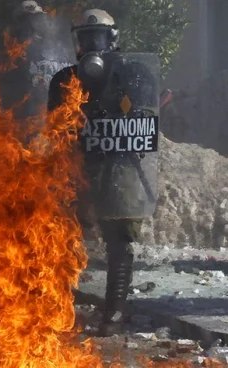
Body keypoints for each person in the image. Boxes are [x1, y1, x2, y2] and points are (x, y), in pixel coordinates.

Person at [47, 9, 159, 337]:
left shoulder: (134, 73)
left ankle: (115, 310)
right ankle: (58, 304)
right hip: (78, 166)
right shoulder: (65, 79)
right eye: (85, 38)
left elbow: (146, 118)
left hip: (120, 165)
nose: (90, 45)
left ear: (112, 39)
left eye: (97, 38)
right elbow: (55, 127)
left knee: (120, 239)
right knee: (61, 236)